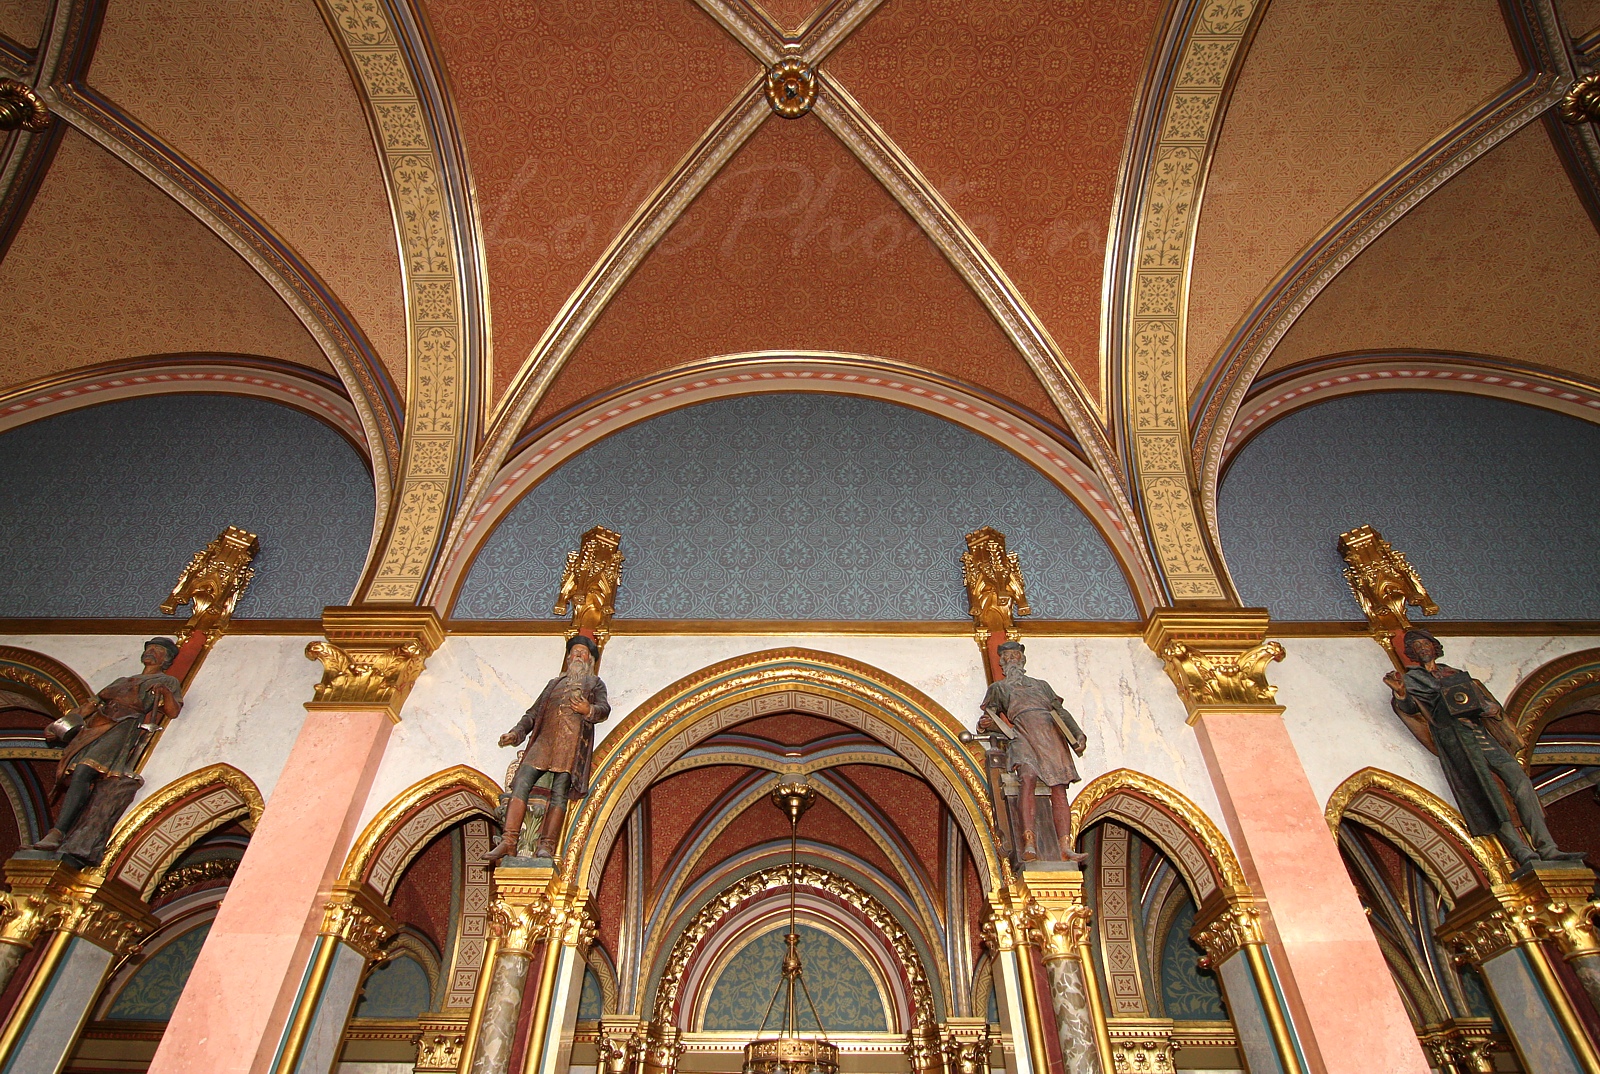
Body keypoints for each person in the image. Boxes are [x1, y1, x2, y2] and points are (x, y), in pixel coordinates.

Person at [1385, 628, 1585, 868]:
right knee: (1490, 795)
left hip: (1482, 735)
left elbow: (1480, 700)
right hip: (1458, 742)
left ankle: (1548, 847)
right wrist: (1400, 694)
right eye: (1416, 647)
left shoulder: (1455, 673)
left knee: (1521, 784)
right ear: (1411, 653)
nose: (1422, 649)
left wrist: (1491, 708)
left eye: (1425, 644)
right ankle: (1521, 852)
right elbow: (1410, 709)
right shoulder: (1412, 680)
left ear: (1434, 647)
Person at [34, 637, 182, 851]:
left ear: (166, 659)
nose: (151, 652)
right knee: (76, 772)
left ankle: (58, 832)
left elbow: (172, 711)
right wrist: (58, 727)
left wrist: (166, 692)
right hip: (97, 724)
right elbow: (89, 706)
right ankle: (60, 832)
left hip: (122, 727)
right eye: (149, 648)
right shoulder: (122, 681)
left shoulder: (167, 682)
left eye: (158, 650)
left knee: (84, 771)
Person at [485, 635, 610, 864]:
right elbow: (533, 713)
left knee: (559, 792)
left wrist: (587, 709)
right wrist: (516, 733)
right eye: (574, 652)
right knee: (522, 780)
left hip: (570, 745)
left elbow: (603, 709)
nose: (577, 656)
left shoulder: (594, 684)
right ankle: (509, 839)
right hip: (544, 741)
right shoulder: (554, 684)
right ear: (568, 657)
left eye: (582, 653)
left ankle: (547, 845)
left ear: (590, 659)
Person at [977, 640, 1089, 863]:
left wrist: (1077, 734)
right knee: (1027, 778)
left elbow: (1060, 712)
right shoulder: (999, 688)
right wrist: (985, 725)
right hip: (1022, 734)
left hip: (1050, 732)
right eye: (1007, 657)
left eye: (1015, 656)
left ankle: (1065, 846)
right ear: (1001, 662)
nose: (1011, 660)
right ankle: (1028, 841)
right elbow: (989, 717)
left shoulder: (1041, 685)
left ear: (1022, 659)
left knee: (1058, 786)